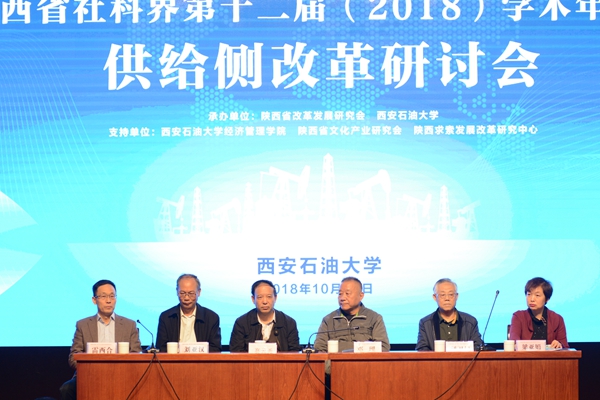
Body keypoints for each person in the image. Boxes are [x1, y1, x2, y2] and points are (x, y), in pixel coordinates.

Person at [59, 280, 141, 400]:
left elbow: (136, 355)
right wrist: (92, 369)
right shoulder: (83, 325)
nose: (108, 300)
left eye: (112, 296)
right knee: (67, 389)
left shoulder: (129, 325)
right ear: (94, 300)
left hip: (121, 375)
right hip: (89, 375)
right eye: (103, 296)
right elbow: (73, 357)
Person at [314, 277, 390, 352]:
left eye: (347, 294)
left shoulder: (374, 318)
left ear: (361, 296)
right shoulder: (329, 320)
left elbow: (383, 348)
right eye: (340, 294)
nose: (342, 298)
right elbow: (319, 348)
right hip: (335, 360)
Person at [229, 280, 301, 352]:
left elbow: (294, 352)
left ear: (275, 298)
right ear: (253, 299)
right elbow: (235, 352)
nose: (265, 302)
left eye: (269, 296)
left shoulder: (289, 323)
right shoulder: (242, 323)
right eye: (260, 297)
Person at [156, 273, 221, 352]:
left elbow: (215, 349)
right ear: (177, 292)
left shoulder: (211, 318)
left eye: (191, 293)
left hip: (202, 359)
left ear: (199, 292)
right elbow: (161, 348)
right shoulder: (166, 317)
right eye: (182, 293)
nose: (186, 298)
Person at [416, 278, 482, 351]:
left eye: (451, 294)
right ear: (435, 297)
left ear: (456, 296)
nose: (447, 298)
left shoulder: (470, 321)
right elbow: (422, 349)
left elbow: (478, 347)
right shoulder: (425, 323)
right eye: (442, 295)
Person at [509, 277, 568, 349]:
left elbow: (565, 347)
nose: (532, 299)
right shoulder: (518, 317)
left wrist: (559, 344)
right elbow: (514, 342)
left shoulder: (557, 319)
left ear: (547, 299)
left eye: (537, 295)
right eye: (529, 294)